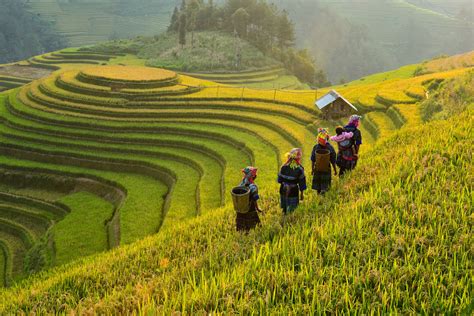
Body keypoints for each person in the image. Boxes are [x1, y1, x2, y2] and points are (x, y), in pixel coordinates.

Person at [278, 148, 307, 214]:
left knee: (284, 207)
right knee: (292, 209)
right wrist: (301, 195)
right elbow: (302, 184)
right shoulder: (299, 169)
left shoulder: (283, 167)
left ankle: (284, 215)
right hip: (293, 190)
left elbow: (279, 180)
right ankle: (289, 220)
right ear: (298, 158)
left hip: (283, 189)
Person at [311, 128, 337, 194]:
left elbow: (313, 159)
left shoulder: (316, 147)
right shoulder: (330, 147)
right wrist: (335, 170)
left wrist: (312, 169)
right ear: (327, 138)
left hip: (317, 168)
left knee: (318, 184)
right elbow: (333, 160)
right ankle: (324, 194)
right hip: (326, 168)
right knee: (326, 184)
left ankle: (318, 195)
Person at [236, 166, 262, 232]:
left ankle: (241, 232)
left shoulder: (241, 184)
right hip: (250, 208)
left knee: (241, 222)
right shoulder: (253, 186)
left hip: (240, 208)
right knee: (252, 221)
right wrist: (257, 208)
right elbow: (255, 198)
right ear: (253, 176)